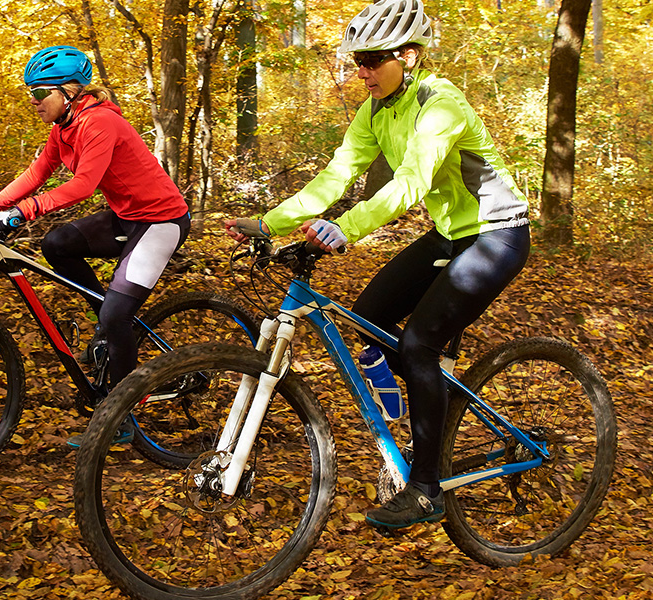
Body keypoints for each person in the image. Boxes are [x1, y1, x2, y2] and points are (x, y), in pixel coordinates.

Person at [225, 0, 530, 529]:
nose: (361, 72)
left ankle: (427, 490)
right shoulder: (374, 110)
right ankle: (426, 404)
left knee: (418, 346)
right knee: (369, 317)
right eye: (357, 62)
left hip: (497, 234)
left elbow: (411, 182)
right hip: (450, 233)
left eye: (371, 60)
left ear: (407, 56)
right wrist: (270, 224)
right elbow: (336, 175)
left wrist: (346, 228)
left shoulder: (441, 104)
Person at [0, 45, 189, 446]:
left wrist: (24, 211)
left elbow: (84, 185)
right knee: (58, 244)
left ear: (68, 91)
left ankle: (120, 417)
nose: (33, 101)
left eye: (40, 92)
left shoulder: (100, 122)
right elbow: (37, 173)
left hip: (161, 221)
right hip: (126, 217)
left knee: (117, 317)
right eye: (30, 93)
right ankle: (106, 327)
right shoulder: (63, 128)